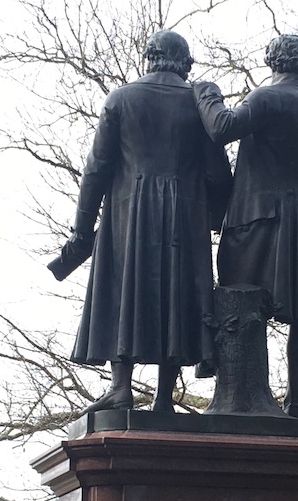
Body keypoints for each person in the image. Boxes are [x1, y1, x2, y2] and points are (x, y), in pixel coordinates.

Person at [48, 30, 232, 414]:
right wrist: (216, 218)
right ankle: (165, 397)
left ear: (150, 58)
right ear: (185, 62)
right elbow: (218, 174)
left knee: (122, 290)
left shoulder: (121, 98)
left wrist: (81, 230)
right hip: (185, 216)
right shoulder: (199, 104)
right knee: (177, 294)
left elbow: (96, 170)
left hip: (128, 216)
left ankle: (120, 387)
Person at [193, 34, 298, 417]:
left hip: (261, 219)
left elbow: (221, 128)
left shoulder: (268, 97)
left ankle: (236, 397)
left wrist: (206, 93)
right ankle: (295, 404)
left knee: (238, 300)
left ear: (272, 62)